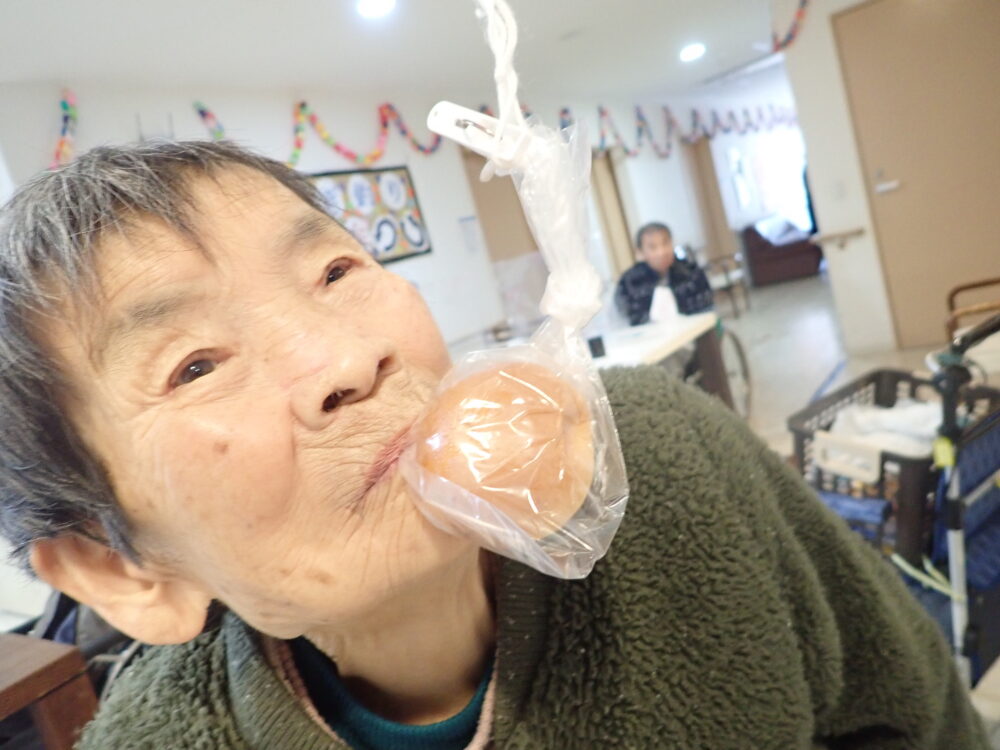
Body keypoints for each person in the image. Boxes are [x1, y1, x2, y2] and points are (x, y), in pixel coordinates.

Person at [0, 141, 987, 749]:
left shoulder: (657, 450)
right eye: (195, 365)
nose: (350, 357)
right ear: (119, 571)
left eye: (336, 271)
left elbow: (917, 711)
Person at [614, 222, 714, 326]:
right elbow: (626, 317)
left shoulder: (691, 271)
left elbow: (707, 305)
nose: (661, 252)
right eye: (653, 247)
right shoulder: (630, 281)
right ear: (640, 252)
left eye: (665, 243)